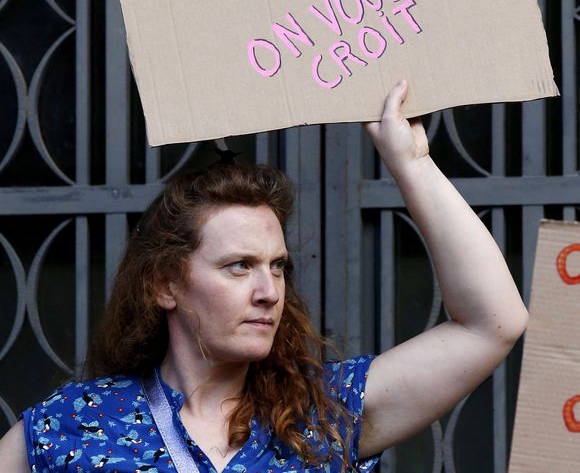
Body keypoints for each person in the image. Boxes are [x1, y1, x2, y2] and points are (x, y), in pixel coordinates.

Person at [0, 81, 528, 472]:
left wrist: (412, 163)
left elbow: (492, 324)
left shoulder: (321, 415)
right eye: (239, 267)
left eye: (277, 266)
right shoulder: (70, 424)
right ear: (164, 284)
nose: (269, 291)